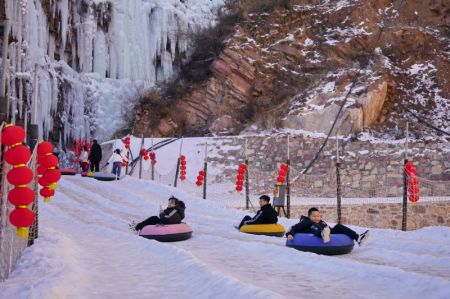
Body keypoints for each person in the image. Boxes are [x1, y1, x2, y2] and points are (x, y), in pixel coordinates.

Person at [286, 207, 370, 246]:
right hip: (313, 231)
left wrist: (332, 230)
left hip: (326, 231)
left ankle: (358, 238)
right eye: (314, 216)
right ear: (309, 216)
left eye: (318, 216)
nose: (316, 218)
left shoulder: (321, 222)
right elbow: (295, 228)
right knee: (314, 226)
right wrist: (290, 234)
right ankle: (323, 234)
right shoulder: (306, 222)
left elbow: (329, 229)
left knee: (338, 226)